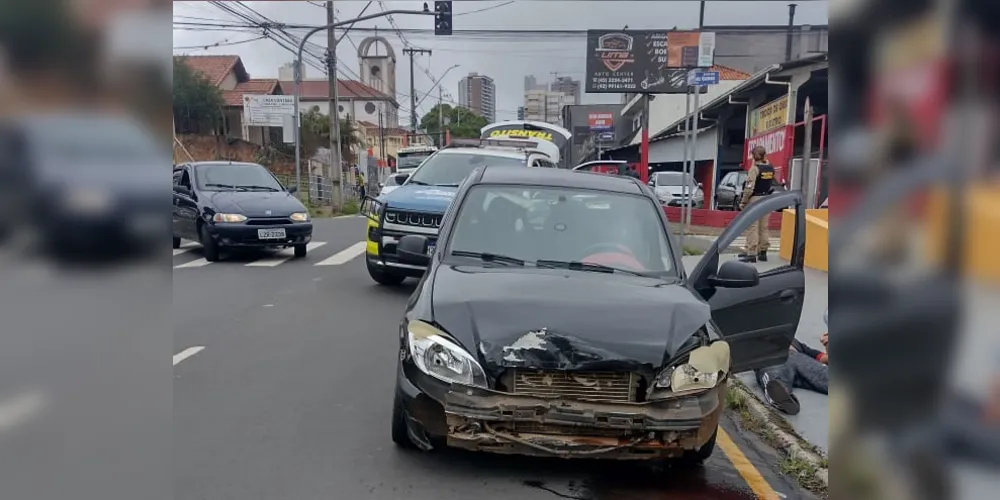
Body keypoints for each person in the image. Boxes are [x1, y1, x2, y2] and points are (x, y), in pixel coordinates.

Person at [755, 327, 828, 416]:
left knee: (822, 372)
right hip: (772, 359)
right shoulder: (755, 340)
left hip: (798, 358)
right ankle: (782, 398)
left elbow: (823, 358)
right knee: (775, 378)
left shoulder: (795, 342)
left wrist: (828, 344)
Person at [738, 145, 777, 263]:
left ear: (753, 157)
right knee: (763, 227)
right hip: (767, 199)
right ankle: (763, 252)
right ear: (765, 155)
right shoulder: (771, 168)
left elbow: (749, 188)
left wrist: (743, 202)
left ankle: (751, 253)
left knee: (753, 226)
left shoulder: (754, 169)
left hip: (755, 199)